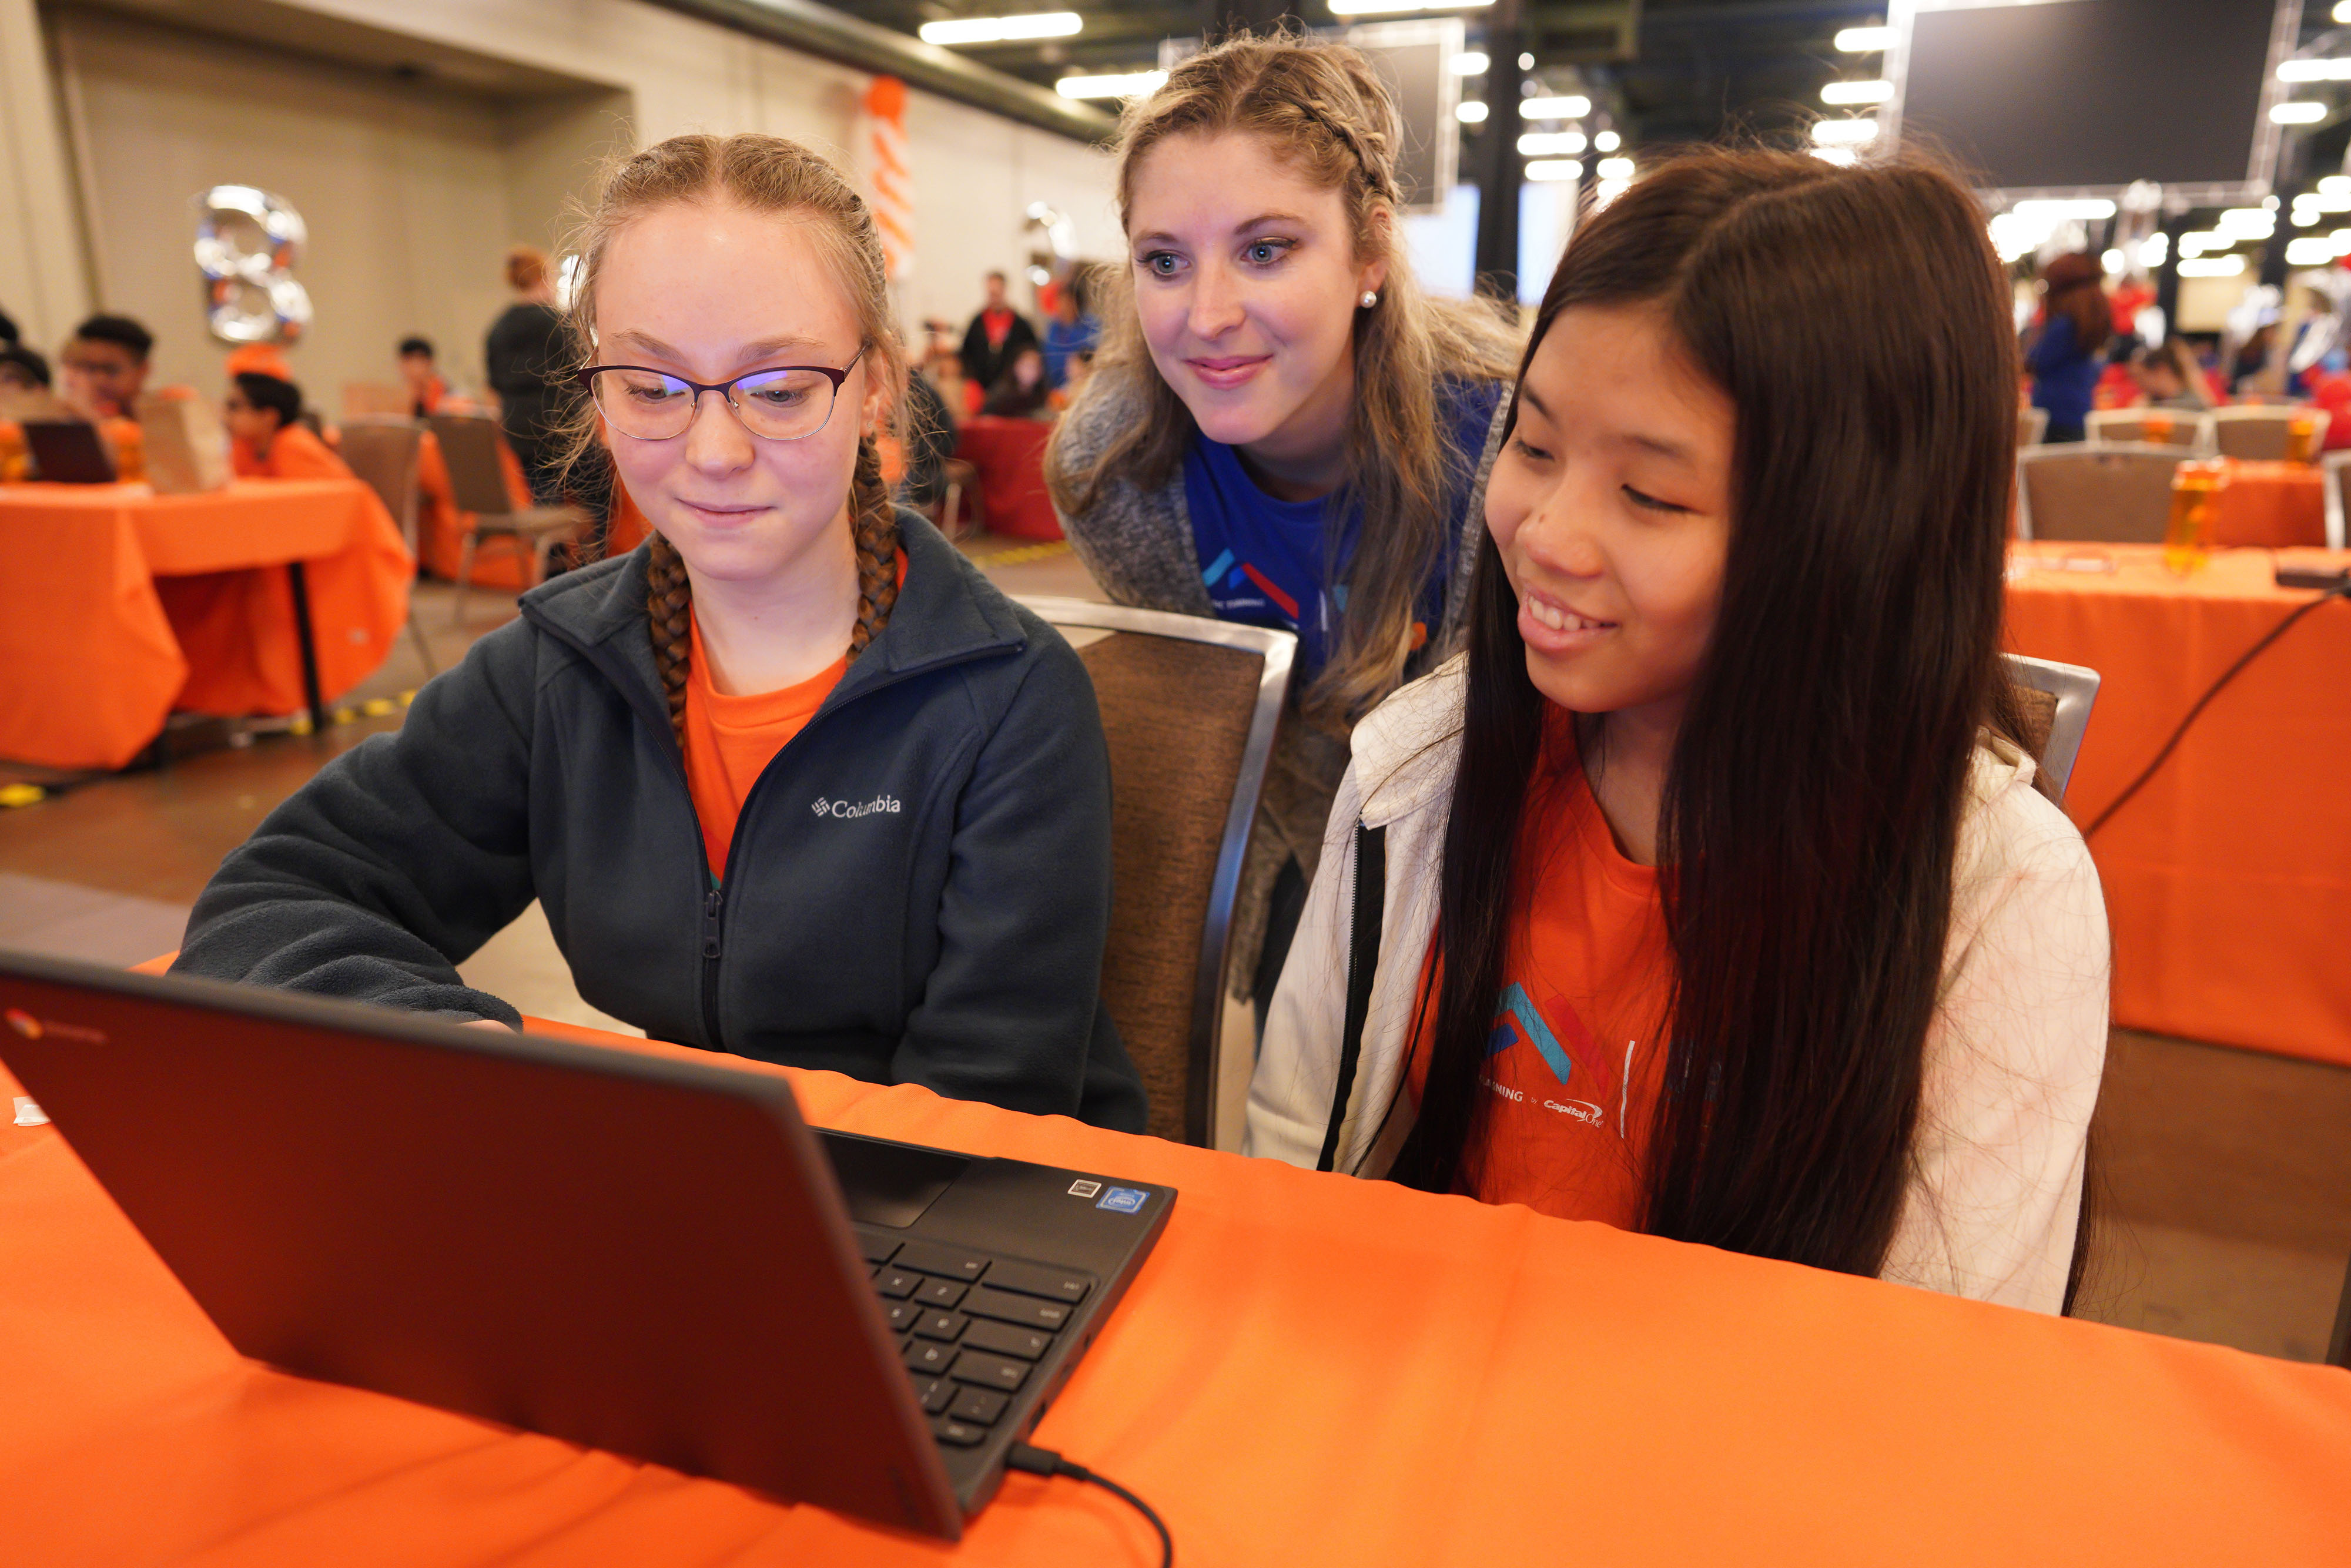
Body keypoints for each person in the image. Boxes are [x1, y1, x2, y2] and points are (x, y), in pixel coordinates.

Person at [1247, 147, 2109, 1316]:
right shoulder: (1421, 766)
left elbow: (1939, 1382)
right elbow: (1294, 1162)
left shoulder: (1996, 896)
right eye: (1534, 445)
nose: (1544, 530)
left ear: (1845, 534)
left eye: (1648, 494)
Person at [173, 131, 1146, 1132]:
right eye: (650, 388)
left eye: (777, 390)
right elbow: (272, 897)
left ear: (875, 391)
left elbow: (982, 1111)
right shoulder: (559, 668)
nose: (714, 451)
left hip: (945, 1211)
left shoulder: (1008, 701)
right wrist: (450, 1046)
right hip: (704, 1171)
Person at [1046, 33, 1522, 1028]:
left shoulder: (1511, 447)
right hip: (1314, 848)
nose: (1208, 313)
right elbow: (1244, 737)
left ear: (1371, 254)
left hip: (1510, 861)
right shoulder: (1117, 475)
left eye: (1266, 250)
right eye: (1165, 260)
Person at [484, 246, 570, 502]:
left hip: (520, 434)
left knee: (545, 503)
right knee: (601, 498)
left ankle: (552, 543)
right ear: (544, 278)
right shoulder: (559, 323)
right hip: (564, 429)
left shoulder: (498, 329)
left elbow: (494, 386)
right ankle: (599, 544)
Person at [2025, 253, 2108, 443]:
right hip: (2078, 411)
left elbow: (2035, 361)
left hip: (2055, 415)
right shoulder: (2088, 322)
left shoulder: (2064, 326)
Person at [224, 371, 352, 480]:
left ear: (269, 416)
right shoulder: (244, 445)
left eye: (234, 406)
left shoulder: (293, 445)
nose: (225, 415)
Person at [958, 270, 1038, 406]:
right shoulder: (977, 323)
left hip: (1012, 392)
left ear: (1004, 290)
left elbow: (1032, 353)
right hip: (981, 390)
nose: (993, 296)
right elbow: (966, 354)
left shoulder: (1020, 325)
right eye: (991, 292)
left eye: (997, 291)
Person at [59, 314, 153, 420]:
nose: (100, 380)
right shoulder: (68, 421)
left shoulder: (163, 421)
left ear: (143, 370)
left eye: (110, 370)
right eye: (91, 369)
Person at [1041, 269, 1101, 389]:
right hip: (1056, 391)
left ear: (1077, 303)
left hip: (1086, 387)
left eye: (1067, 302)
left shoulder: (1091, 326)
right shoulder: (1052, 329)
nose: (1063, 306)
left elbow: (1098, 356)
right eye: (1060, 301)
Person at [2132, 338, 2213, 411]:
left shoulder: (2194, 406)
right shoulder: (2149, 403)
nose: (2140, 385)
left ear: (2162, 371)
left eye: (2143, 378)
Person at [980, 344, 1051, 418]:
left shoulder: (1045, 397)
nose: (1031, 372)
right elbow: (985, 417)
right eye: (1027, 366)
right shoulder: (1001, 393)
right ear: (1016, 367)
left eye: (1036, 366)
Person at [398, 335, 448, 417]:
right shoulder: (406, 391)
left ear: (430, 362)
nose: (411, 367)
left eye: (416, 361)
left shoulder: (444, 391)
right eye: (406, 361)